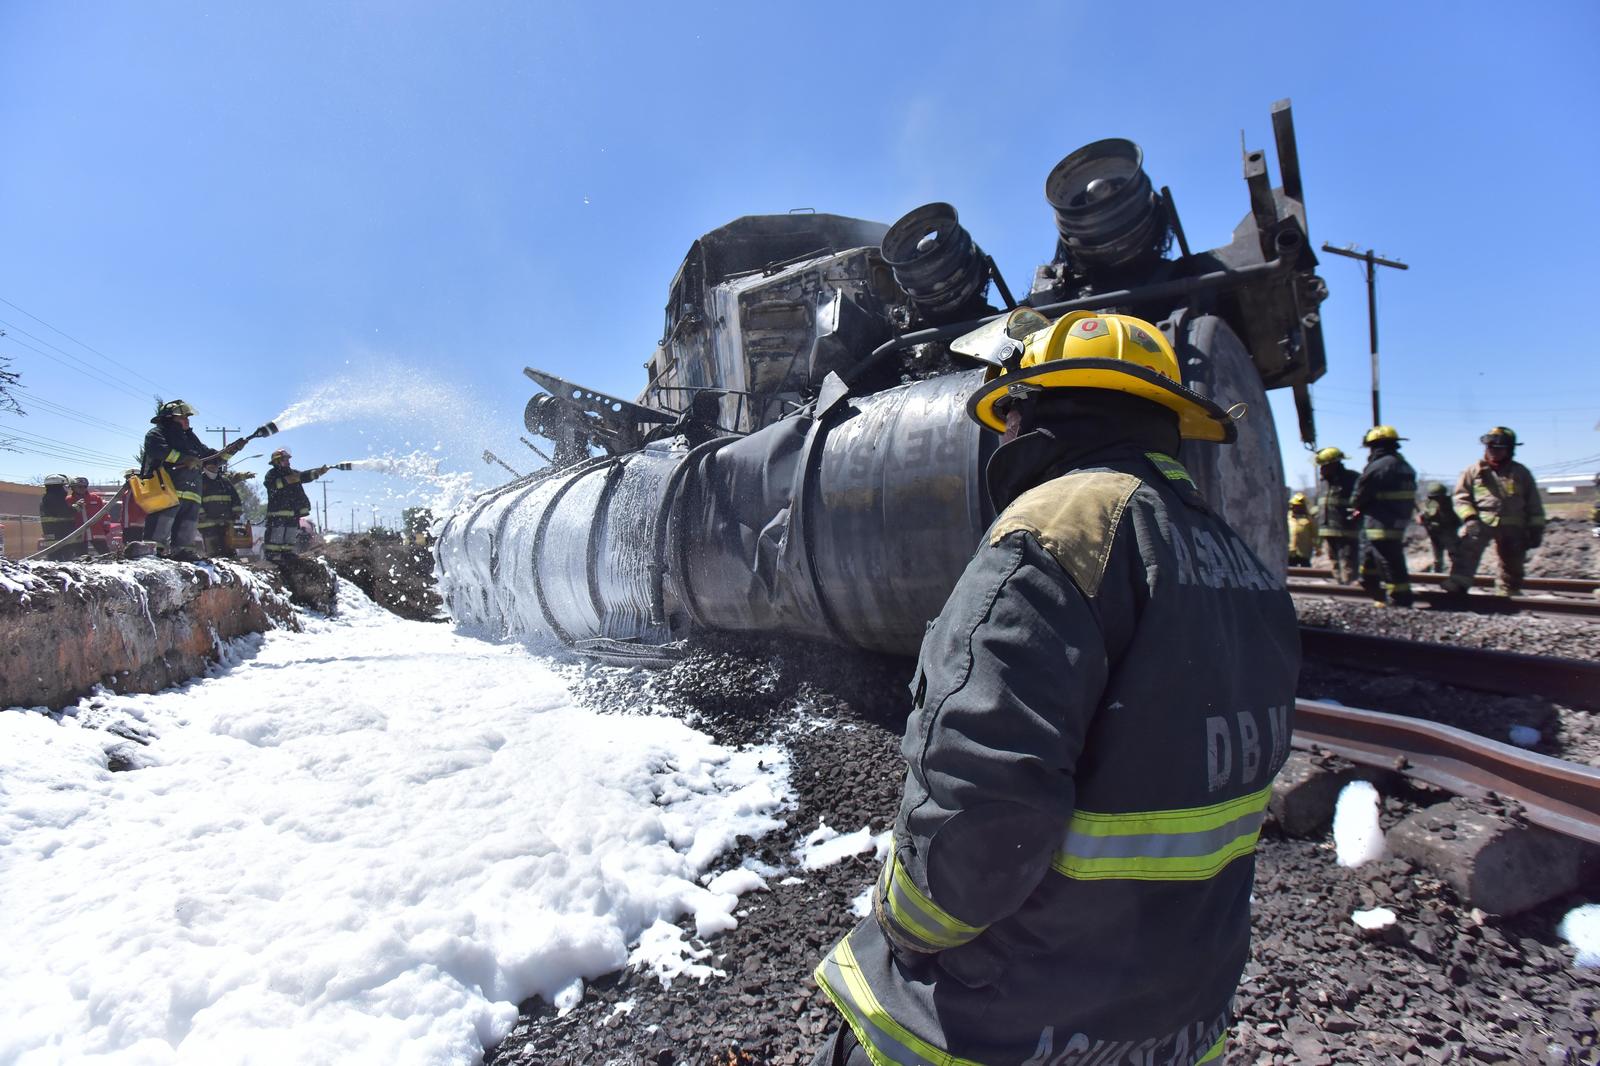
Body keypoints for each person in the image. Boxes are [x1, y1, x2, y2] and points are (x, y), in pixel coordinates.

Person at [810, 310, 1300, 1066]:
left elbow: (980, 811)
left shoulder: (1059, 528)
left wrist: (905, 926)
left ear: (1037, 414)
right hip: (1176, 1016)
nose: (1000, 436)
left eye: (1007, 414)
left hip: (1021, 1015)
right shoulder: (1236, 559)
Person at [1444, 426, 1546, 597]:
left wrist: (1536, 528)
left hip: (1514, 526)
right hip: (1481, 523)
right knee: (1468, 549)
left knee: (1513, 561)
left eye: (1499, 449)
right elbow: (1461, 498)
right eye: (1490, 448)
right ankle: (1458, 584)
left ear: (1509, 450)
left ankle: (1508, 591)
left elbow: (1533, 503)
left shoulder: (1521, 472)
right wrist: (1469, 518)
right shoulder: (1473, 471)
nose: (1493, 452)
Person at [1351, 426, 1417, 607]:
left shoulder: (1379, 466)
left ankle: (1399, 599)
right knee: (1375, 556)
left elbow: (1361, 492)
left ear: (1375, 446)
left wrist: (1356, 505)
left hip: (1380, 521)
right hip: (1398, 519)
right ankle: (1371, 587)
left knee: (1389, 561)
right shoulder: (1404, 465)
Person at [140, 400, 211, 560]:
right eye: (182, 417)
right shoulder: (156, 434)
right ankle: (153, 554)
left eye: (188, 417)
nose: (187, 421)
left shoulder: (191, 439)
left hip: (191, 492)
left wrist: (233, 449)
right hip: (165, 489)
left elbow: (208, 456)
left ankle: (183, 553)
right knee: (161, 524)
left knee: (187, 526)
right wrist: (184, 459)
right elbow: (160, 451)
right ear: (169, 419)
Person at [263, 448, 330, 563]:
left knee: (291, 533)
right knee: (277, 534)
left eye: (287, 459)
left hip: (293, 513)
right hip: (277, 512)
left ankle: (287, 554)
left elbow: (303, 476)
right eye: (284, 459)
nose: (288, 462)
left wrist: (317, 472)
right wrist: (289, 479)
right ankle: (272, 555)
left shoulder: (292, 473)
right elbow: (272, 485)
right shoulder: (272, 474)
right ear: (277, 461)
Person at [1314, 446, 1359, 583]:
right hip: (1327, 529)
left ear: (1333, 464)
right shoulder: (1324, 482)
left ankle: (1350, 588)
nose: (1321, 469)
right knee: (1334, 561)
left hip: (1346, 529)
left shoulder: (1352, 478)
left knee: (1348, 561)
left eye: (1324, 466)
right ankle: (1340, 585)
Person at [199, 460, 242, 558]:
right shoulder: (200, 481)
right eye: (210, 467)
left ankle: (230, 559)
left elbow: (235, 498)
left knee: (228, 545)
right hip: (207, 522)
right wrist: (201, 513)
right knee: (213, 547)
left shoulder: (224, 481)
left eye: (215, 467)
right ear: (204, 468)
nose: (213, 469)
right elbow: (196, 499)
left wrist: (237, 511)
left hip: (226, 521)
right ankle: (214, 560)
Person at [1417, 482, 1460, 574]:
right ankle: (1437, 574)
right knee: (1437, 559)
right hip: (1435, 535)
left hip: (1449, 534)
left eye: (1437, 497)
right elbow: (1424, 517)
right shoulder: (1430, 504)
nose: (1435, 499)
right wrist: (1423, 520)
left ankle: (1456, 574)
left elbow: (1456, 520)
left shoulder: (1450, 505)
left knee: (1455, 556)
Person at [38, 473, 81, 559]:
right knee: (64, 561)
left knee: (54, 559)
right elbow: (64, 512)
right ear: (58, 486)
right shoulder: (55, 498)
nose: (66, 488)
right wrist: (77, 507)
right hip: (61, 537)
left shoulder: (47, 498)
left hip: (53, 537)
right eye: (64, 486)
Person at [66, 476, 112, 554]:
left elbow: (104, 514)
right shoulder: (68, 500)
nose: (82, 489)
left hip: (96, 533)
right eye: (79, 487)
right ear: (73, 487)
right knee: (81, 557)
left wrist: (106, 528)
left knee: (106, 555)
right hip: (79, 535)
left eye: (85, 486)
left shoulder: (95, 498)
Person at [1287, 491, 1317, 566]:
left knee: (1305, 569)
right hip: (1290, 552)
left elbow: (1315, 535)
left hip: (1304, 553)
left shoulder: (1309, 520)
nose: (1296, 508)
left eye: (1298, 506)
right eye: (1294, 505)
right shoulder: (1288, 519)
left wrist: (1317, 548)